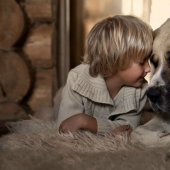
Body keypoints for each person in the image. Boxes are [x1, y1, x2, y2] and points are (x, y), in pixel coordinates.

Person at [56, 15, 153, 135]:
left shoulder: (140, 89)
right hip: (70, 91)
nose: (148, 68)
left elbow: (128, 129)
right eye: (142, 62)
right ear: (117, 59)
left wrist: (85, 121)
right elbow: (65, 128)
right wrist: (111, 131)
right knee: (58, 99)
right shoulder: (77, 78)